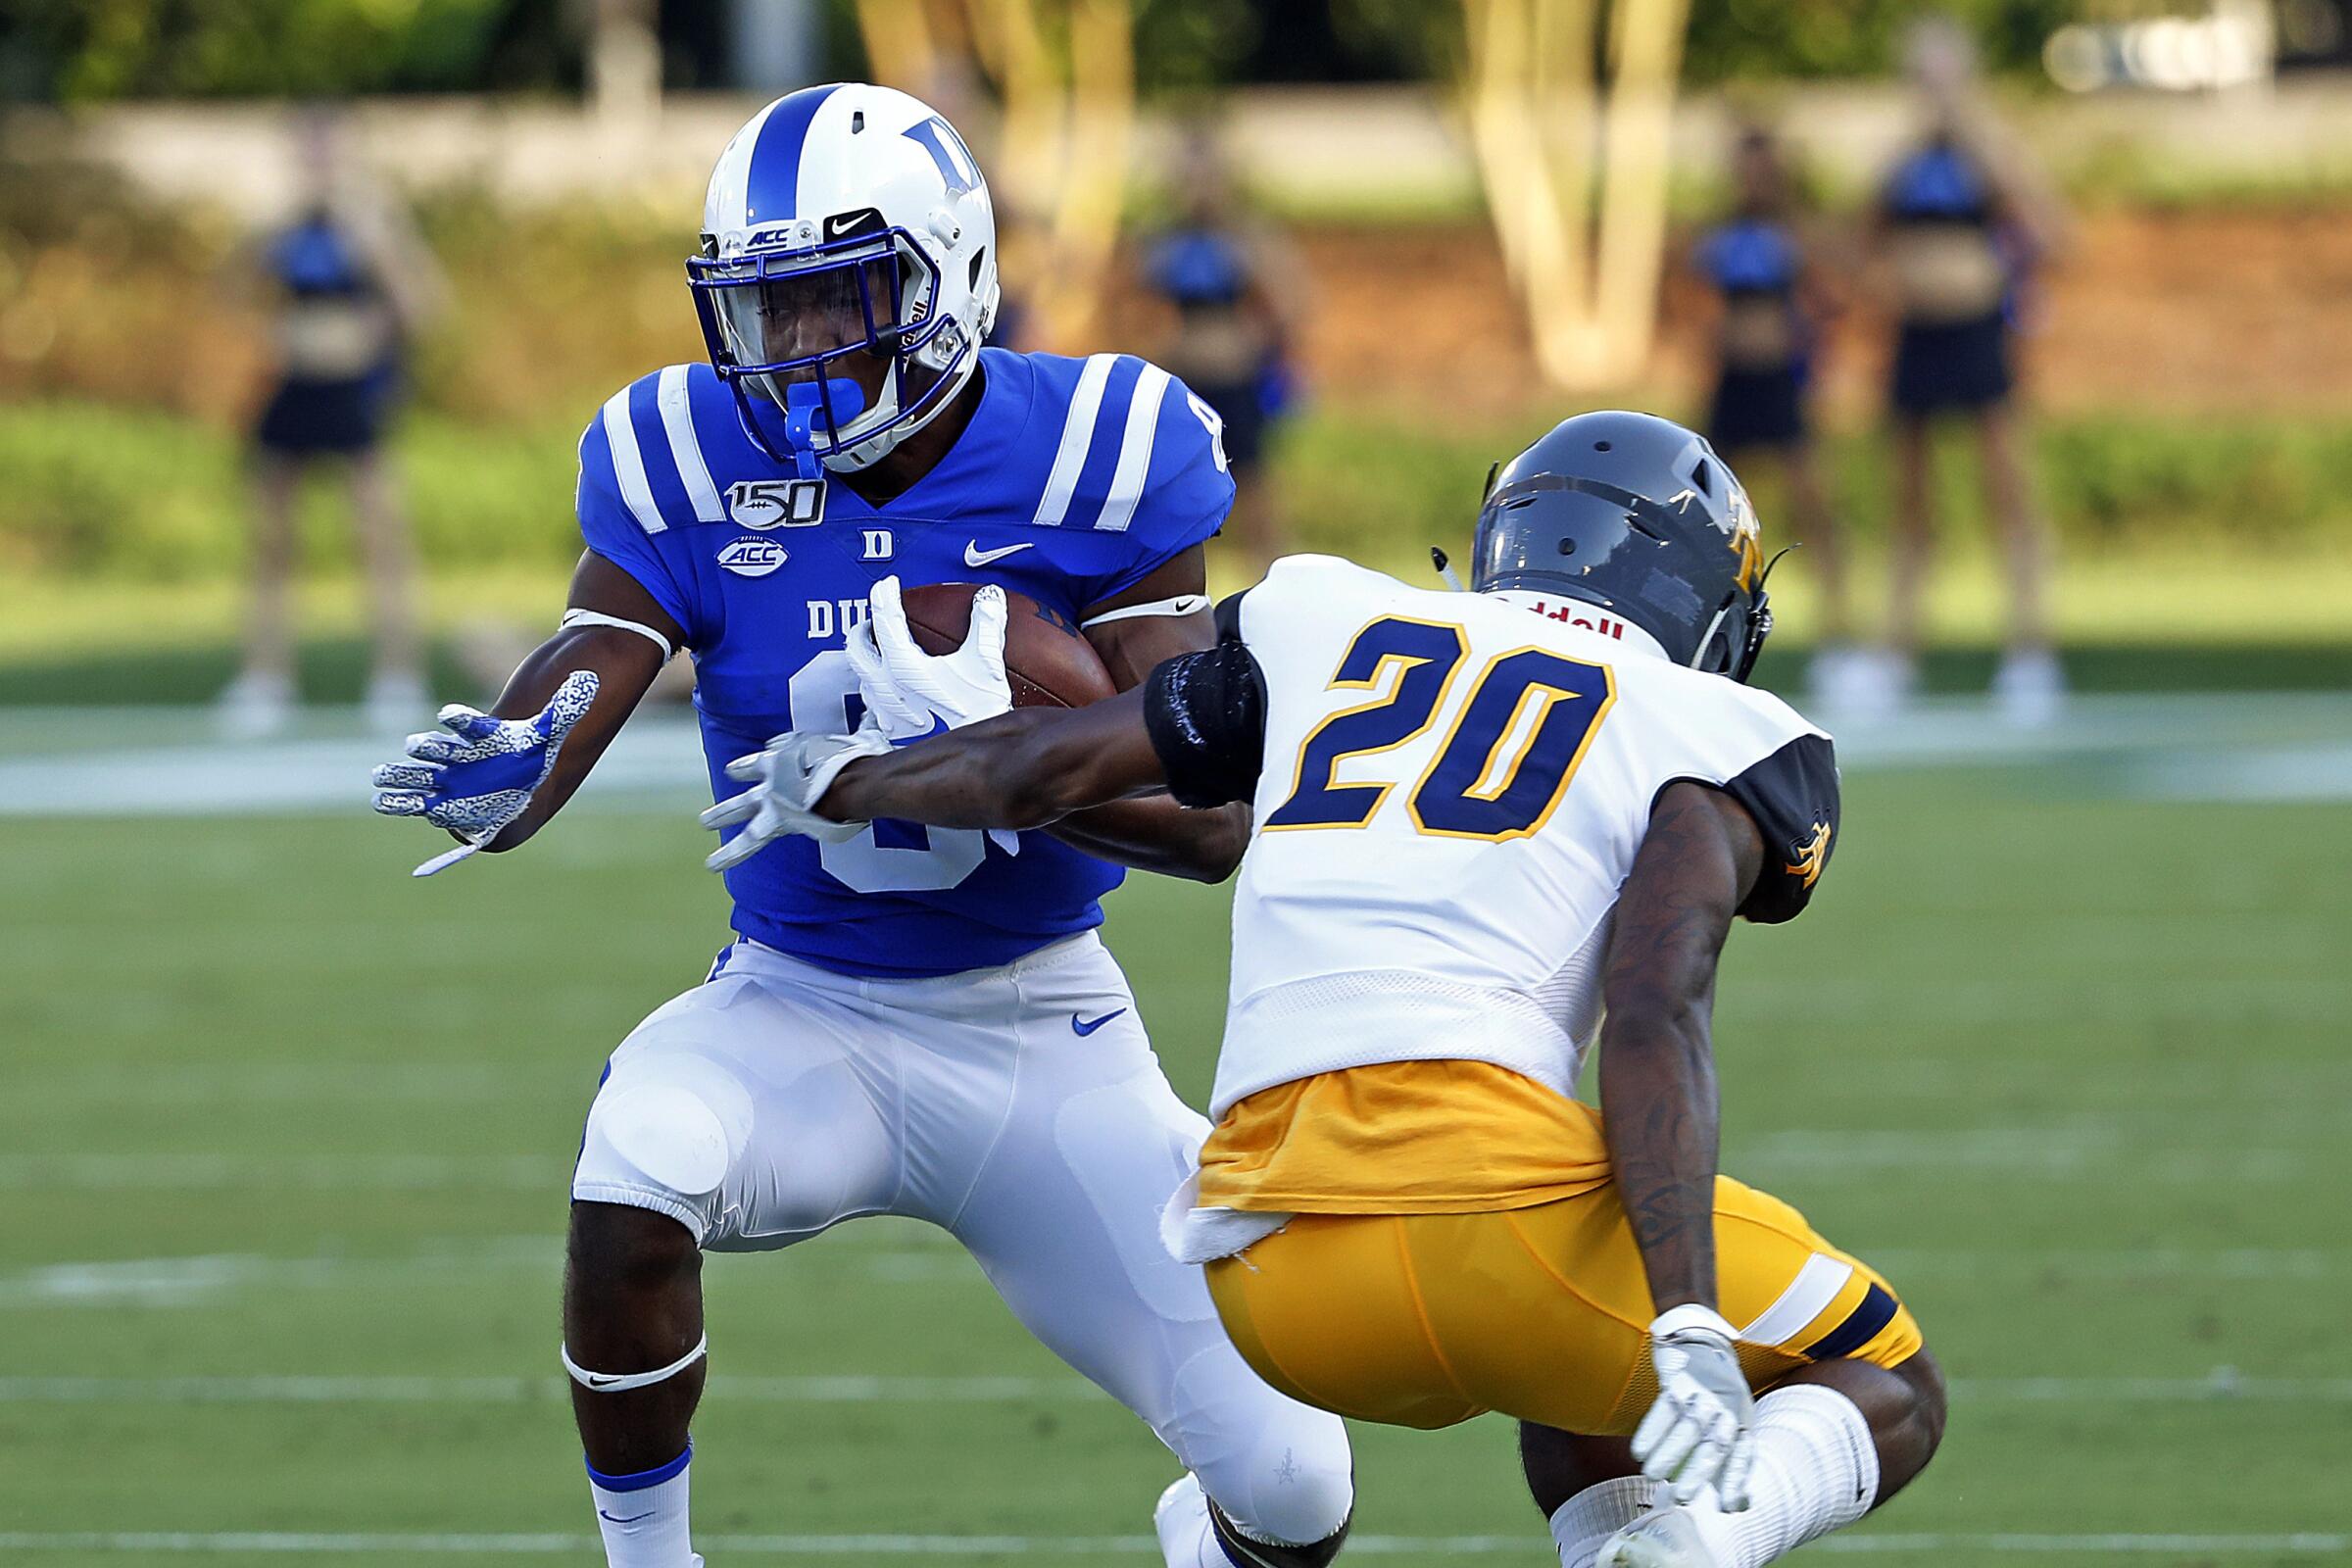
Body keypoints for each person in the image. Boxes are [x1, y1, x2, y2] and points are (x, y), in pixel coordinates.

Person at [364, 84, 1351, 1568]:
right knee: (636, 1162)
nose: (800, 348)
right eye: (766, 312)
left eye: (837, 301)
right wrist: (523, 762)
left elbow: (1209, 815)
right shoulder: (684, 451)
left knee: (1295, 1489)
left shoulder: (1099, 441)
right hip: (798, 1008)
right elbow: (590, 663)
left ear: (944, 274)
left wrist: (990, 758)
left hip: (1043, 1033)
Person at [720, 412, 1947, 1568]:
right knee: (1889, 1380)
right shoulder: (1714, 721)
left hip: (1275, 1274)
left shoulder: (1327, 614)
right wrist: (1687, 1319)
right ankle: (1702, 1546)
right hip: (1495, 1241)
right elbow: (1653, 1006)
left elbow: (1051, 765)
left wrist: (852, 782)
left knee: (1571, 1357)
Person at [1864, 16, 2068, 725]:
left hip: (1979, 334)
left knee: (2007, 491)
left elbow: (2054, 233)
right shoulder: (1904, 160)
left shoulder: (1992, 154)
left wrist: (1980, 139)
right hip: (1918, 335)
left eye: (1946, 78)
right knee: (1911, 501)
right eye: (1924, 79)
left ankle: (2029, 653)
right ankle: (1897, 653)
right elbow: (1858, 235)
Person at [222, 105, 444, 738]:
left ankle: (396, 675)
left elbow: (422, 308)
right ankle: (266, 676)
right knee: (271, 540)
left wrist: (372, 250)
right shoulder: (282, 227)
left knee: (379, 536)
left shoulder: (373, 220)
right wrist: (265, 241)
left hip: (353, 391)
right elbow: (230, 291)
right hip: (293, 385)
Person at [1690, 126, 1853, 709]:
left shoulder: (1797, 233)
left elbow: (1836, 290)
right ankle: (1705, 634)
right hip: (1731, 384)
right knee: (1715, 517)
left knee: (1813, 505)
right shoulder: (1719, 232)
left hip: (1781, 382)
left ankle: (1840, 637)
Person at [1137, 128, 1306, 570]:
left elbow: (1284, 305)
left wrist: (1278, 364)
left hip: (1236, 374)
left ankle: (1271, 573)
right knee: (1170, 488)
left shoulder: (1245, 237)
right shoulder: (1161, 238)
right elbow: (1130, 302)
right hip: (1183, 377)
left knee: (1252, 484)